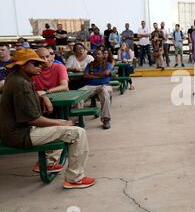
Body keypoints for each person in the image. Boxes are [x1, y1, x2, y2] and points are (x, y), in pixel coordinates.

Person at [0, 48, 96, 189]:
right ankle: (75, 178)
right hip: (20, 135)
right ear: (22, 65)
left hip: (14, 131)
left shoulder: (16, 78)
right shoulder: (21, 84)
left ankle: (50, 164)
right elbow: (34, 120)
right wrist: (64, 122)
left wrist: (43, 96)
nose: (41, 65)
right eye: (35, 63)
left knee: (61, 128)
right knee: (77, 132)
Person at [80, 50, 113, 129]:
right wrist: (100, 76)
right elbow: (85, 76)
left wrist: (92, 75)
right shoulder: (90, 65)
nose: (97, 55)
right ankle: (80, 119)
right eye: (95, 54)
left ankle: (106, 119)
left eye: (99, 54)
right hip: (90, 86)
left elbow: (106, 73)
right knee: (79, 93)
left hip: (104, 85)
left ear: (102, 55)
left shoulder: (107, 64)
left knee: (104, 92)